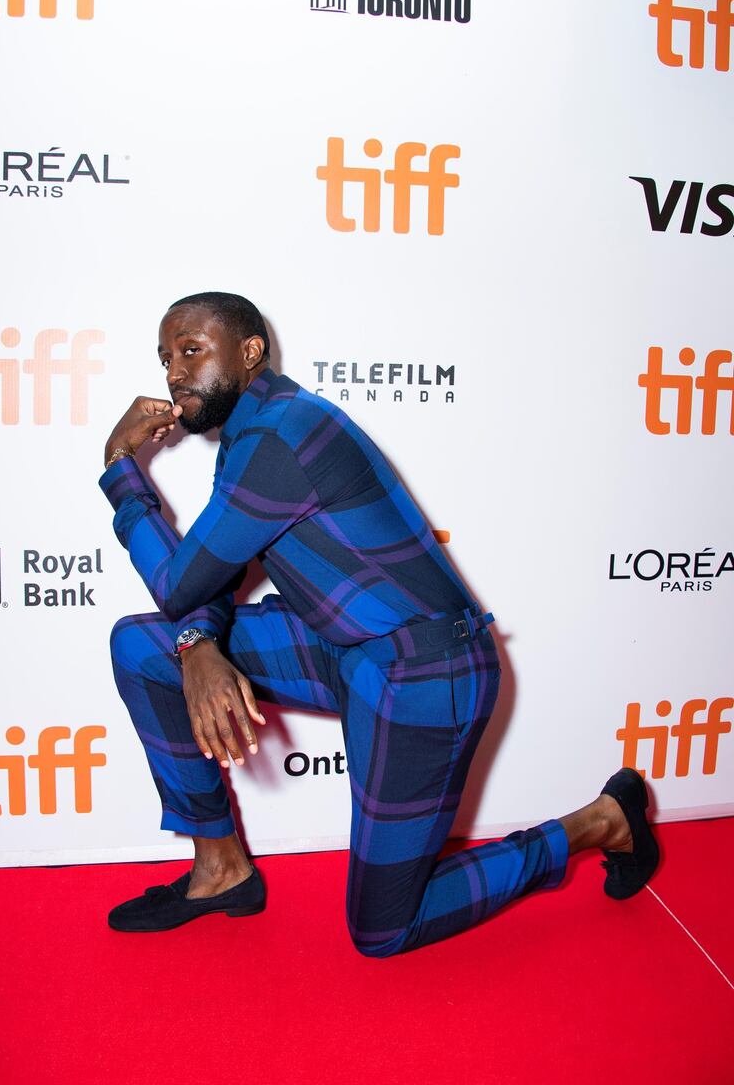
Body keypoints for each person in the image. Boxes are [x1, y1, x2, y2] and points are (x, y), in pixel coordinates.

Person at [100, 291, 659, 956]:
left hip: (425, 671)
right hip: (347, 649)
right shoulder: (253, 436)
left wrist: (119, 467)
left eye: (192, 351)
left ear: (249, 353)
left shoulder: (282, 436)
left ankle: (598, 823)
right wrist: (195, 646)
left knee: (383, 929)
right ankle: (221, 870)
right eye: (165, 358)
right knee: (146, 647)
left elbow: (178, 581)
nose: (174, 374)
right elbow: (209, 578)